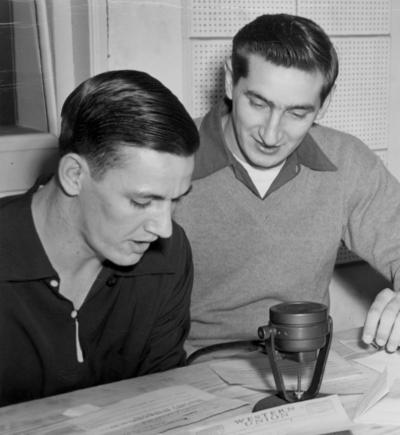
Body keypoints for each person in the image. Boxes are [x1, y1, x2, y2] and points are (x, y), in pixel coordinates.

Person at [174, 13, 400, 354]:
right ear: (230, 80)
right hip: (189, 370)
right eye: (258, 103)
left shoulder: (347, 160)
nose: (271, 134)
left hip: (305, 366)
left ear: (324, 104)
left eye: (297, 113)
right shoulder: (168, 159)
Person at [0, 70, 199, 406]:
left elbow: (162, 405)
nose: (164, 229)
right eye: (141, 201)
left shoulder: (169, 253)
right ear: (74, 175)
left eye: (176, 198)